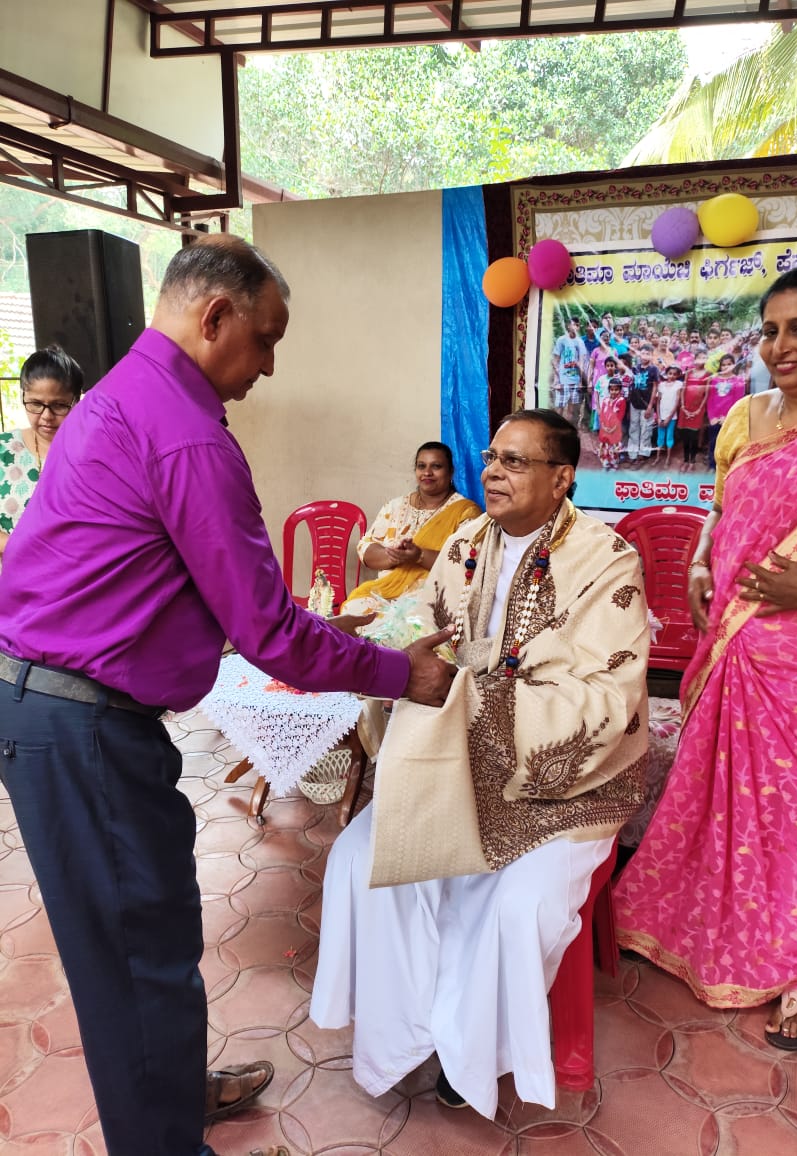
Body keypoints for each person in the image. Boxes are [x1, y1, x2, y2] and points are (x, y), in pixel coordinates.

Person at [0, 235, 456, 1156]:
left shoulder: (121, 397)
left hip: (58, 708)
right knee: (136, 956)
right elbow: (270, 632)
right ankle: (164, 1134)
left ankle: (169, 1091)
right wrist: (400, 672)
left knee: (148, 936)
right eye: (266, 339)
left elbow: (174, 581)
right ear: (215, 317)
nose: (268, 367)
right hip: (81, 723)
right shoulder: (187, 434)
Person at [311, 408, 650, 1118]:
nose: (493, 471)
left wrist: (470, 699)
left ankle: (472, 1053)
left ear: (562, 478)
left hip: (565, 782)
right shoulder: (467, 542)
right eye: (492, 457)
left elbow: (607, 700)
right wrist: (366, 647)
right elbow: (420, 628)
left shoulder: (605, 559)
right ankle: (402, 1033)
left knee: (515, 904)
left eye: (516, 461)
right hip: (457, 761)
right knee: (359, 859)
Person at [615, 263, 797, 1052]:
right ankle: (690, 927)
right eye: (770, 331)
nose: (780, 346)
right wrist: (700, 563)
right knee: (717, 797)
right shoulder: (744, 419)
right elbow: (720, 511)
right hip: (733, 643)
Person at [342, 441, 480, 614]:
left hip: (433, 598)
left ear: (450, 471)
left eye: (436, 466)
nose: (427, 472)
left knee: (408, 622)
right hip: (386, 593)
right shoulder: (395, 507)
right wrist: (394, 556)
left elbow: (466, 563)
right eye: (421, 466)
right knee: (353, 610)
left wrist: (419, 556)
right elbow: (365, 549)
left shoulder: (466, 512)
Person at [0, 345, 83, 557]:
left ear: (76, 400)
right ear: (23, 396)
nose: (46, 416)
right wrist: (23, 551)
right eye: (36, 404)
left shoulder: (90, 454)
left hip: (71, 572)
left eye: (59, 405)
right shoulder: (4, 449)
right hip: (10, 572)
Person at [705, 352, 747, 468]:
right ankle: (712, 465)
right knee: (713, 441)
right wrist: (712, 417)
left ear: (734, 365)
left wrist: (728, 417)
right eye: (723, 365)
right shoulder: (714, 380)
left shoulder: (738, 381)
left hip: (729, 418)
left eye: (729, 364)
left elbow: (738, 402)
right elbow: (710, 399)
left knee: (727, 443)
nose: (726, 367)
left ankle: (724, 466)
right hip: (715, 418)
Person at [551, 315, 588, 428]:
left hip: (575, 380)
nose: (575, 326)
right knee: (559, 408)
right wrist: (557, 380)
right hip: (563, 380)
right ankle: (556, 429)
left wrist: (581, 381)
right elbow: (555, 360)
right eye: (572, 324)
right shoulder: (561, 340)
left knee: (571, 410)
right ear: (568, 326)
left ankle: (567, 430)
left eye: (577, 325)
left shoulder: (580, 342)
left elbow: (581, 362)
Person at [626, 342, 660, 465]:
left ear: (651, 355)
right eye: (643, 353)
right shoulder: (635, 368)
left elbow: (655, 387)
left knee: (646, 428)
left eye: (648, 354)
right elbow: (631, 385)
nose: (644, 356)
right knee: (633, 427)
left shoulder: (654, 369)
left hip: (646, 404)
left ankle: (643, 453)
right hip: (635, 403)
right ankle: (633, 453)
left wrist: (650, 405)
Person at [677, 350, 709, 471]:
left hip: (697, 409)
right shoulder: (688, 372)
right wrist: (682, 406)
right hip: (685, 408)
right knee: (685, 436)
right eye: (699, 357)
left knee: (694, 436)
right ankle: (685, 460)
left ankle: (692, 461)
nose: (701, 360)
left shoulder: (708, 374)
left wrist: (699, 410)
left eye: (704, 357)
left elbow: (706, 395)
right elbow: (683, 390)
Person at [654, 363, 683, 470]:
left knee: (669, 437)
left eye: (674, 374)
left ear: (677, 375)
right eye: (670, 373)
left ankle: (668, 458)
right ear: (666, 374)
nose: (672, 376)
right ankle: (658, 457)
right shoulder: (661, 385)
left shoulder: (678, 384)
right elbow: (658, 402)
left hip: (671, 417)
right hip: (661, 416)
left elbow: (677, 402)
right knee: (660, 437)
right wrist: (658, 417)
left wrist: (669, 418)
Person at [597, 376, 627, 470]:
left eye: (616, 390)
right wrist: (603, 426)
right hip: (605, 428)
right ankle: (606, 461)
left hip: (615, 429)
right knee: (605, 446)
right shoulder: (605, 400)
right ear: (609, 390)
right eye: (612, 389)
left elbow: (620, 416)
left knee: (614, 446)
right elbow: (602, 415)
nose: (614, 392)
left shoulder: (621, 401)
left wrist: (613, 429)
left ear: (620, 390)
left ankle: (614, 463)